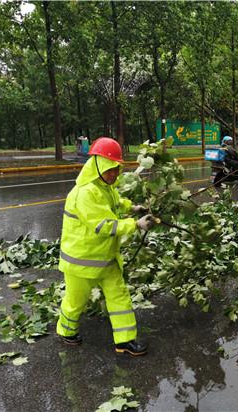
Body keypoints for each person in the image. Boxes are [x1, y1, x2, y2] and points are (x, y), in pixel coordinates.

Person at [56, 137, 155, 356]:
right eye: (111, 169)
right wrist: (136, 224)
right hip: (81, 262)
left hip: (106, 258)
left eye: (116, 169)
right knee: (75, 301)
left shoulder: (105, 187)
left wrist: (134, 207)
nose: (114, 174)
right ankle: (66, 331)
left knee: (119, 296)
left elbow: (116, 203)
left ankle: (125, 340)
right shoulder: (85, 193)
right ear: (99, 165)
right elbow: (104, 224)